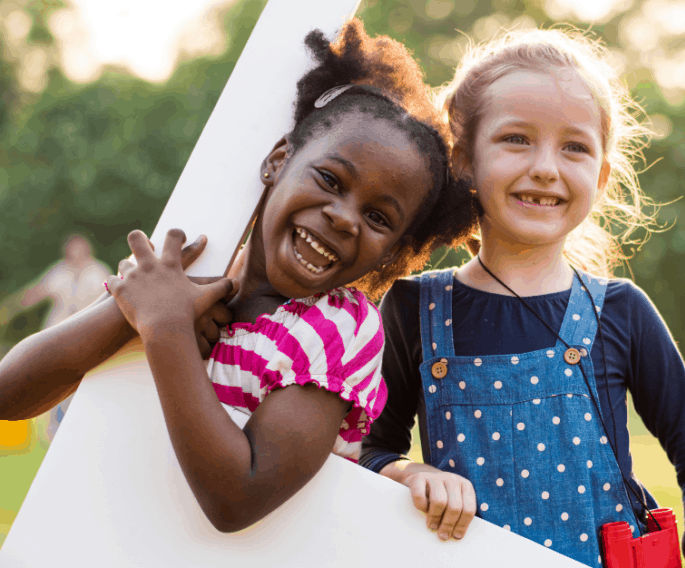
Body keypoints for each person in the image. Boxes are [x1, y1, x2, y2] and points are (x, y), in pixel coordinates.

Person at [0, 20, 474, 532]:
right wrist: (130, 312)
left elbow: (238, 500)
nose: (343, 216)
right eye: (329, 179)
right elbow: (11, 395)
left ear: (394, 252)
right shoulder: (188, 270)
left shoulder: (340, 330)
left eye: (379, 218)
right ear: (277, 162)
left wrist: (166, 330)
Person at [358, 28, 685, 567]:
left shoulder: (621, 311)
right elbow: (367, 452)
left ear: (602, 176)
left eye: (575, 147)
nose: (545, 166)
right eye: (516, 138)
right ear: (463, 157)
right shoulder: (410, 310)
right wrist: (408, 472)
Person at [0, 234, 111, 442]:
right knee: (55, 383)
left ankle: (85, 430)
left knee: (82, 385)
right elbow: (36, 293)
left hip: (87, 336)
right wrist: (10, 308)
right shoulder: (59, 271)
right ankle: (56, 433)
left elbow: (109, 299)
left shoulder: (99, 272)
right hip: (56, 336)